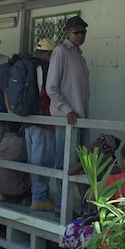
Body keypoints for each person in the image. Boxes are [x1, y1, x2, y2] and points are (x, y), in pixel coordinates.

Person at [46, 15, 91, 211]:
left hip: (82, 119)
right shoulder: (61, 51)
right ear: (67, 33)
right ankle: (61, 206)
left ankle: (86, 207)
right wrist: (67, 110)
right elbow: (51, 87)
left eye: (83, 32)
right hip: (67, 119)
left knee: (84, 163)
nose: (80, 35)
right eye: (76, 32)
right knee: (64, 162)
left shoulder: (80, 57)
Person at [25, 38, 58, 211]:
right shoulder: (45, 68)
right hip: (43, 120)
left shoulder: (28, 65)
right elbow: (47, 94)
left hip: (29, 120)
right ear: (47, 54)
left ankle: (36, 195)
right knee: (44, 159)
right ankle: (40, 198)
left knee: (33, 159)